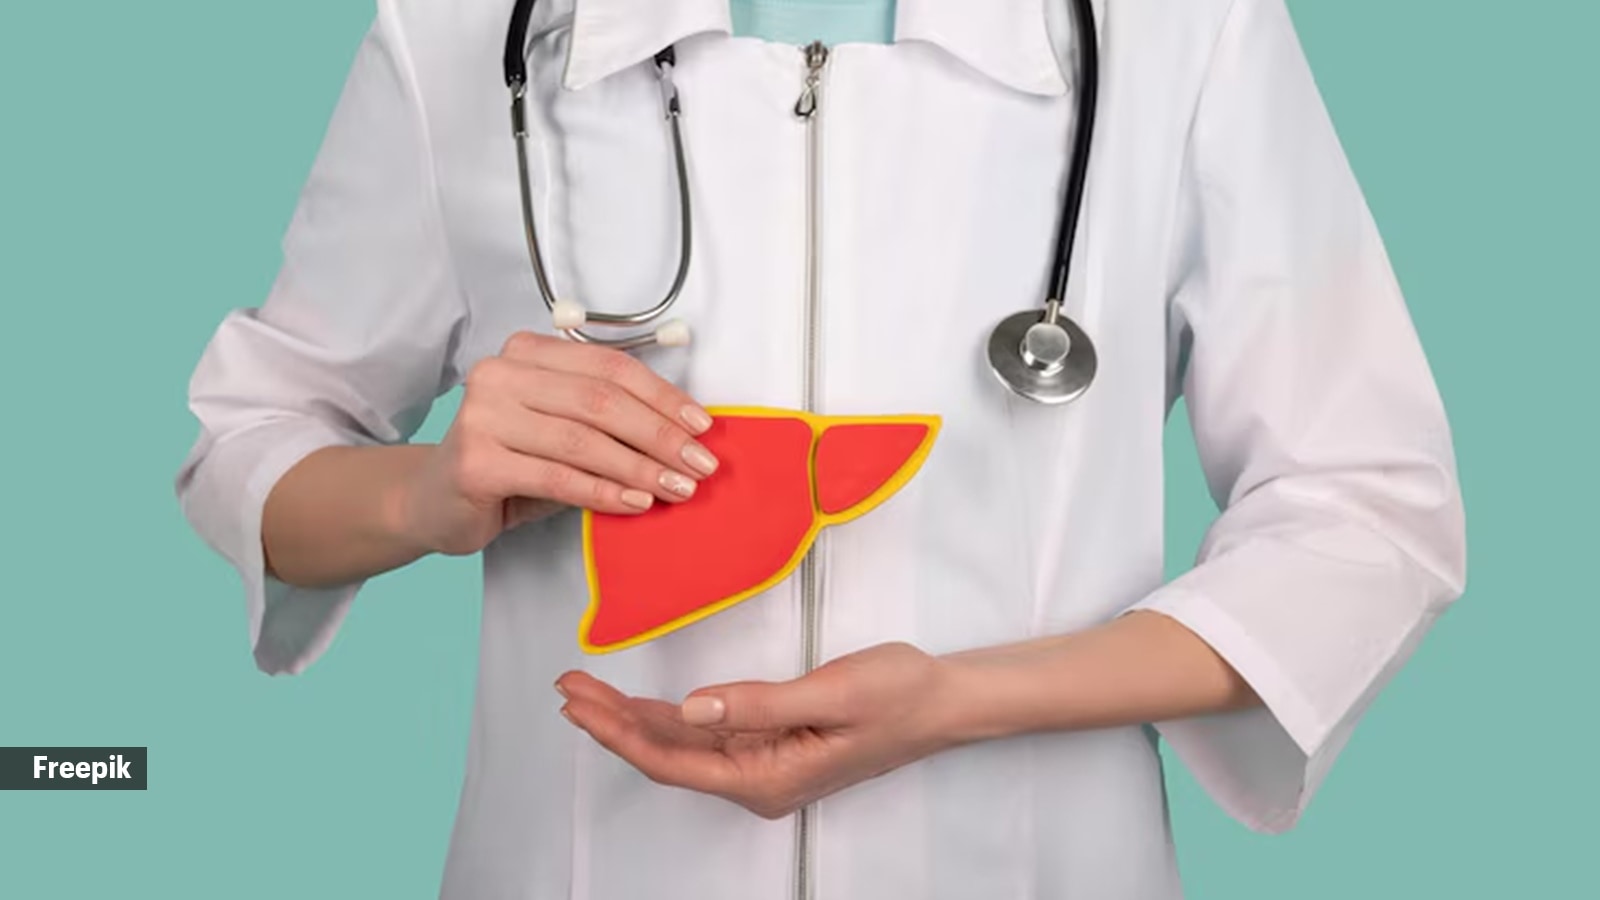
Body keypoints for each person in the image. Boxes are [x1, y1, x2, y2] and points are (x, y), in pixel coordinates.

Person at [175, 0, 1467, 897]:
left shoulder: (1181, 34)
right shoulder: (469, 36)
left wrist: (963, 700)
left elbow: (1366, 511)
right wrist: (425, 491)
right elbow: (252, 439)